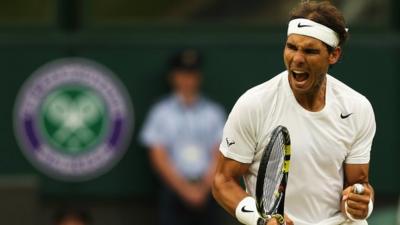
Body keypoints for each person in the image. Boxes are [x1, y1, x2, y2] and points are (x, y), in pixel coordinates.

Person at [212, 1, 375, 225]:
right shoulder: (254, 104)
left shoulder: (357, 107)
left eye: (309, 51)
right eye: (291, 47)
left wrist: (361, 202)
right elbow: (223, 181)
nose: (297, 59)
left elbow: (358, 184)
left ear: (334, 55)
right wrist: (261, 220)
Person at [139, 48, 226, 225]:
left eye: (192, 74)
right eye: (183, 74)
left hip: (208, 190)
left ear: (199, 77)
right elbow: (158, 155)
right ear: (173, 77)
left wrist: (203, 188)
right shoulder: (160, 112)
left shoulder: (213, 112)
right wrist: (184, 189)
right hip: (173, 191)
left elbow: (220, 153)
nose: (187, 80)